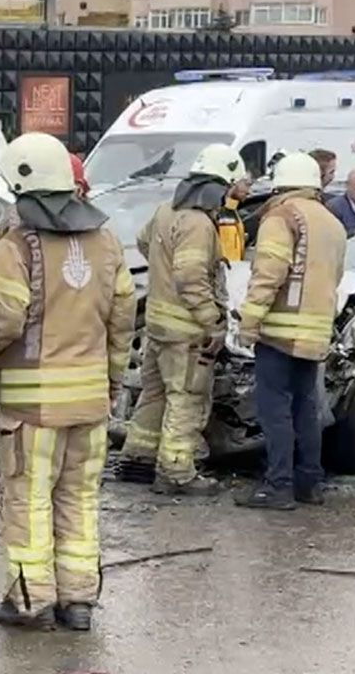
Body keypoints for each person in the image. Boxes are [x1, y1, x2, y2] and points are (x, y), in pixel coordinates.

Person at [0, 132, 136, 631]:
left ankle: (28, 600)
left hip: (32, 408)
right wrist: (111, 381)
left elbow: (3, 322)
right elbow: (123, 319)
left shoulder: (15, 247)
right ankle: (79, 600)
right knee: (80, 500)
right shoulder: (106, 242)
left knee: (28, 500)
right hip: (90, 402)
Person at [117, 144, 242, 495]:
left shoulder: (164, 212)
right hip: (188, 334)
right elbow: (191, 277)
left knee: (154, 396)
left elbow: (144, 244)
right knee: (186, 399)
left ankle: (137, 460)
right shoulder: (199, 224)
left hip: (157, 325)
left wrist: (164, 271)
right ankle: (176, 472)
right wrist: (213, 323)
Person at [234, 152, 346, 510]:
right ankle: (309, 483)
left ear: (280, 183)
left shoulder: (282, 216)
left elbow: (269, 273)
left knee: (274, 410)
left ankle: (277, 485)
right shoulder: (331, 221)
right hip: (315, 333)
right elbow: (336, 277)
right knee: (306, 407)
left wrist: (249, 322)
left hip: (279, 332)